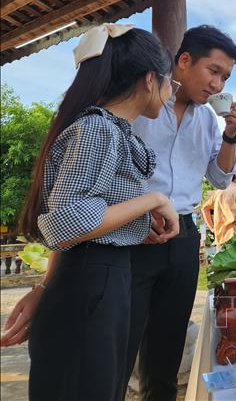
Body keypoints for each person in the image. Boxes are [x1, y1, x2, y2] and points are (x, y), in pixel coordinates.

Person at [0, 24, 180, 401]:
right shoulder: (100, 129)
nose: (169, 95)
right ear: (150, 80)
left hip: (96, 281)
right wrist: (154, 201)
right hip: (91, 285)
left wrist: (135, 222)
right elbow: (69, 221)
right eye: (169, 84)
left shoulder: (114, 132)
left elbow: (82, 219)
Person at [126, 25, 236, 401]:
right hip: (133, 229)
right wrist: (132, 216)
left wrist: (230, 135)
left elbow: (221, 177)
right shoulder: (141, 102)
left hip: (183, 233)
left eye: (225, 77)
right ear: (183, 61)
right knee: (123, 334)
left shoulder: (209, 119)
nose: (217, 84)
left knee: (169, 337)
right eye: (213, 71)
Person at [201, 165, 236, 246]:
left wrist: (212, 228)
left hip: (220, 236)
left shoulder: (218, 192)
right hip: (234, 236)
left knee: (222, 257)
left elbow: (204, 208)